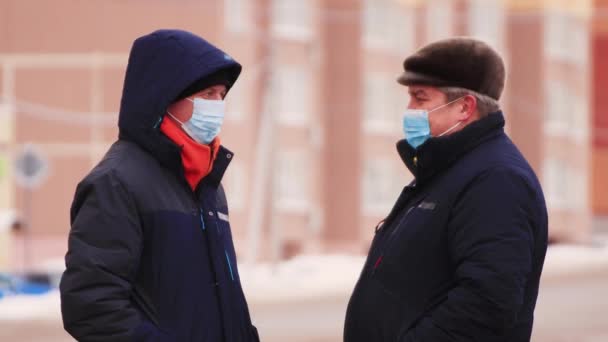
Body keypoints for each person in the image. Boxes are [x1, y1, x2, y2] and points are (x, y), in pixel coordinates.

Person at [60, 29, 259, 341]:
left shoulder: (207, 184)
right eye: (207, 94)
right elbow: (92, 306)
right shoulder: (116, 183)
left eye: (221, 95)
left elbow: (225, 298)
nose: (217, 106)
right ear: (164, 98)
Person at [344, 37, 548, 342]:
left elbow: (486, 305)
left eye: (420, 98)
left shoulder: (497, 179)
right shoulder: (446, 172)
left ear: (464, 107)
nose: (409, 110)